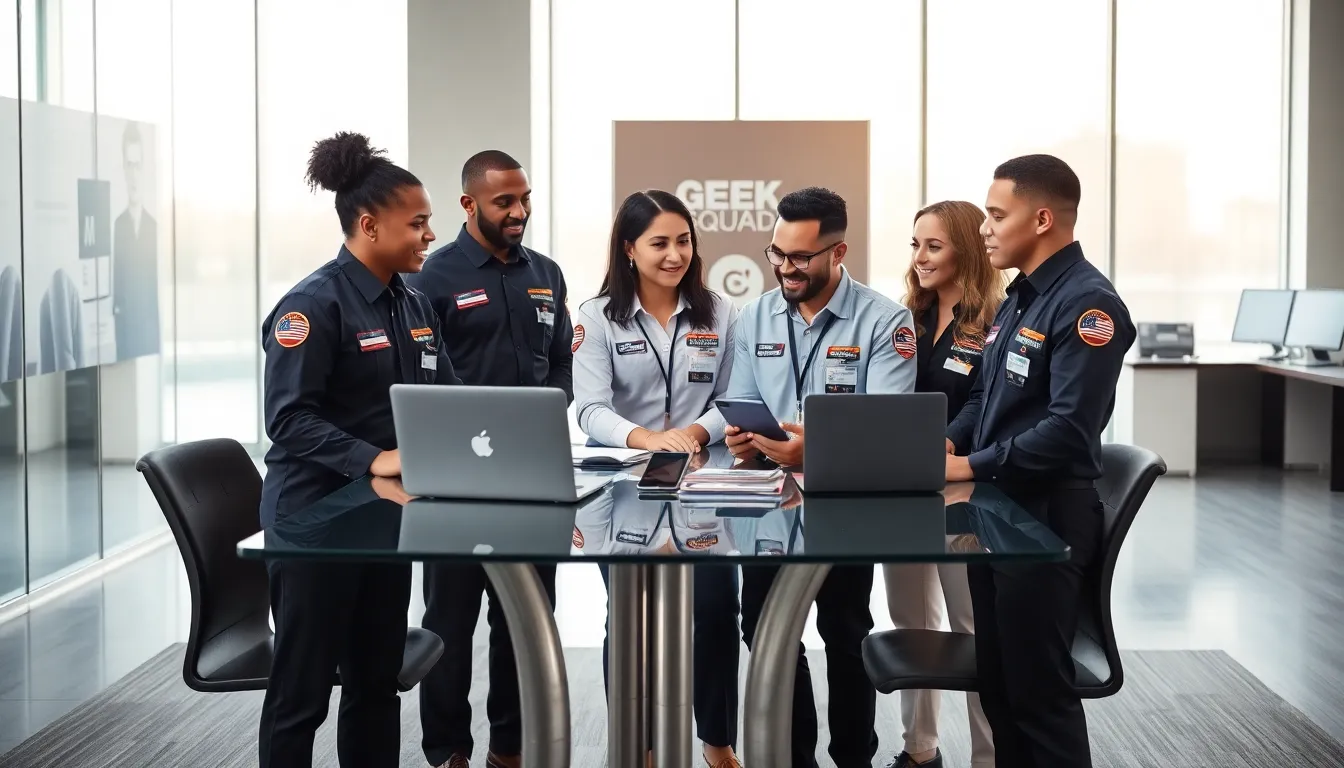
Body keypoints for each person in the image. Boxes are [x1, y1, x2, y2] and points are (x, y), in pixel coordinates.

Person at [257, 131, 458, 768]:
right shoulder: (311, 306)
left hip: (382, 519)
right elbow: (288, 419)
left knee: (376, 683)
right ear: (369, 226)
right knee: (303, 694)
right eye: (418, 223)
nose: (430, 235)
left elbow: (446, 399)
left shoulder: (413, 304)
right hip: (314, 523)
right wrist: (375, 458)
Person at [945, 155, 1135, 768]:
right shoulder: (1019, 298)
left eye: (997, 215)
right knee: (999, 688)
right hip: (997, 512)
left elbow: (1069, 431)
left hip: (1045, 518)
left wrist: (971, 466)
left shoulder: (1088, 306)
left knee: (1038, 697)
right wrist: (948, 442)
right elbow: (986, 395)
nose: (984, 229)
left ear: (1043, 219)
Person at [722, 186, 918, 768]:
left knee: (845, 631)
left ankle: (854, 757)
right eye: (777, 253)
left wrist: (814, 451)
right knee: (764, 631)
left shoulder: (885, 321)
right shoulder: (755, 315)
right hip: (768, 506)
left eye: (800, 257)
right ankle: (796, 758)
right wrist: (743, 438)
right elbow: (744, 401)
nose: (785, 268)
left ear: (838, 252)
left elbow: (889, 427)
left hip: (845, 507)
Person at [404, 149, 572, 768]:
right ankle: (448, 750)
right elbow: (418, 376)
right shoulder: (430, 278)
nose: (519, 211)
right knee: (448, 623)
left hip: (533, 483)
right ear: (469, 204)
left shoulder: (547, 273)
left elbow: (561, 361)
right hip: (453, 486)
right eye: (504, 202)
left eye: (524, 199)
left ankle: (510, 748)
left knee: (525, 620)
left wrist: (551, 407)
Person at [571, 189, 743, 768]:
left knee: (716, 607)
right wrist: (648, 440)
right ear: (629, 249)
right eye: (660, 243)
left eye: (684, 241)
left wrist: (691, 434)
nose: (675, 255)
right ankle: (637, 746)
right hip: (624, 487)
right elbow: (589, 408)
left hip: (704, 480)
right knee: (629, 616)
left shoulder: (720, 311)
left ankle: (717, 741)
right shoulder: (597, 317)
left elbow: (733, 397)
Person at [882, 201, 1004, 768]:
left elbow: (983, 400)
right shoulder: (907, 317)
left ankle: (988, 757)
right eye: (916, 245)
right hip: (903, 490)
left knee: (971, 629)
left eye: (934, 246)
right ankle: (919, 750)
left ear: (967, 250)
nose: (921, 257)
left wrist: (946, 442)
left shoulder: (996, 318)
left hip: (961, 494)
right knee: (911, 624)